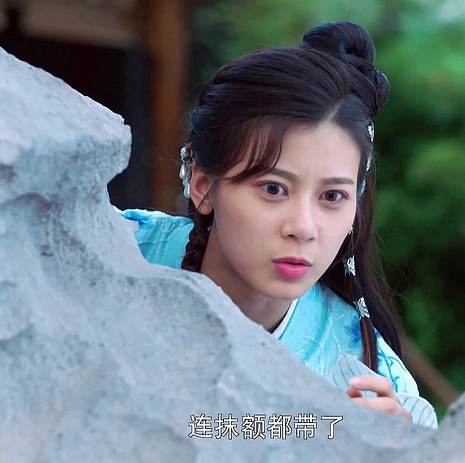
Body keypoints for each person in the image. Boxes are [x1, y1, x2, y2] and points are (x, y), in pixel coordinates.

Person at [121, 21, 437, 427]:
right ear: (202, 184)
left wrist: (393, 450)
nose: (303, 227)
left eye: (332, 197)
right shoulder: (107, 252)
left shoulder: (372, 386)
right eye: (273, 188)